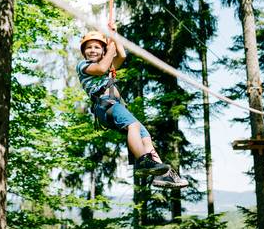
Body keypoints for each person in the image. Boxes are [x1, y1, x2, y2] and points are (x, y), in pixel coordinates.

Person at [76, 30, 188, 188]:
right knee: (133, 126)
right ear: (83, 52)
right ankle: (143, 161)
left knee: (144, 134)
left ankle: (162, 175)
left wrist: (115, 38)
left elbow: (122, 56)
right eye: (89, 47)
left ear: (102, 51)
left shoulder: (106, 64)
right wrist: (110, 50)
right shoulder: (84, 65)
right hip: (105, 105)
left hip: (114, 106)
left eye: (97, 47)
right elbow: (101, 69)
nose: (93, 50)